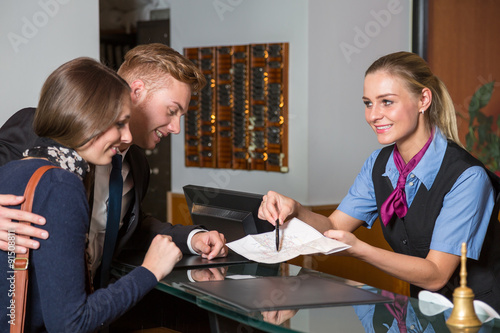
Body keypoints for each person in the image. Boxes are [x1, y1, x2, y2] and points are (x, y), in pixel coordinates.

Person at [258, 51, 500, 312]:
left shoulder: (467, 176)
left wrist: (359, 249)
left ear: (423, 99)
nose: (373, 115)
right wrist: (296, 209)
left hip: (481, 316)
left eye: (386, 102)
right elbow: (333, 225)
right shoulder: (379, 164)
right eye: (367, 103)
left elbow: (437, 274)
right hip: (425, 314)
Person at [0, 43, 227, 287]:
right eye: (172, 111)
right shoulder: (33, 128)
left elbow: (130, 229)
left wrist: (193, 238)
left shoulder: (138, 166)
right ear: (137, 92)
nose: (176, 128)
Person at [0, 57, 183, 332]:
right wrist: (151, 270)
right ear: (90, 117)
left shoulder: (16, 170)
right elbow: (71, 324)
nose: (127, 137)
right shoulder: (63, 184)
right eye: (120, 123)